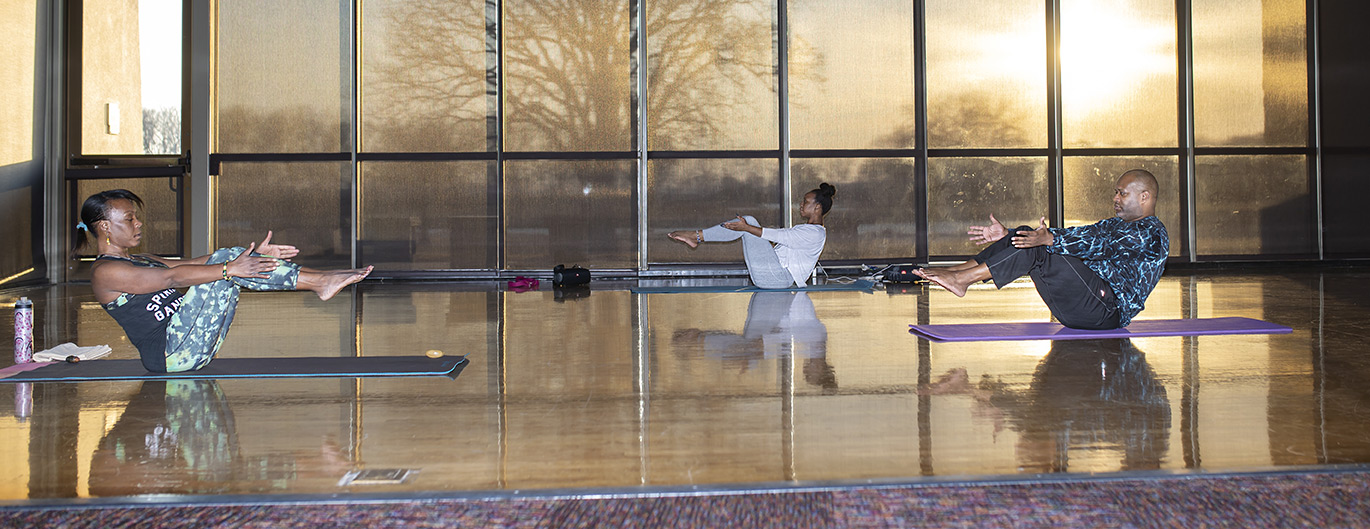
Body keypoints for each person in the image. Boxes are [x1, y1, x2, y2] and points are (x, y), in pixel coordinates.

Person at [75, 189, 373, 373]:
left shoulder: (140, 259)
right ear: (104, 227)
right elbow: (172, 277)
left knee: (228, 260)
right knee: (228, 267)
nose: (138, 223)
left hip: (192, 345)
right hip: (170, 353)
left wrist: (250, 255)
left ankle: (319, 282)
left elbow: (194, 264)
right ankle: (320, 282)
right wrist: (232, 266)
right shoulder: (104, 271)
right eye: (129, 219)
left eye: (136, 217)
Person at [915, 170, 1168, 329]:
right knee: (1028, 235)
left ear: (1144, 197)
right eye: (1115, 193)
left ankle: (961, 280)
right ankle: (956, 271)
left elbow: (1099, 246)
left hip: (1106, 310)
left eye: (1122, 194)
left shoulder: (1150, 232)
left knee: (1038, 246)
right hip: (1085, 306)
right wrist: (1009, 235)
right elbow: (1076, 234)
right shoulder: (1116, 224)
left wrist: (1047, 240)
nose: (1115, 198)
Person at [667, 183, 836, 289]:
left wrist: (747, 228)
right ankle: (695, 237)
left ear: (817, 208)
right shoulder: (810, 230)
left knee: (748, 222)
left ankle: (695, 236)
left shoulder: (813, 233)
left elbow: (778, 235)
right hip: (773, 275)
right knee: (748, 225)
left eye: (806, 202)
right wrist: (749, 230)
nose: (801, 205)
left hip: (779, 279)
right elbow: (779, 246)